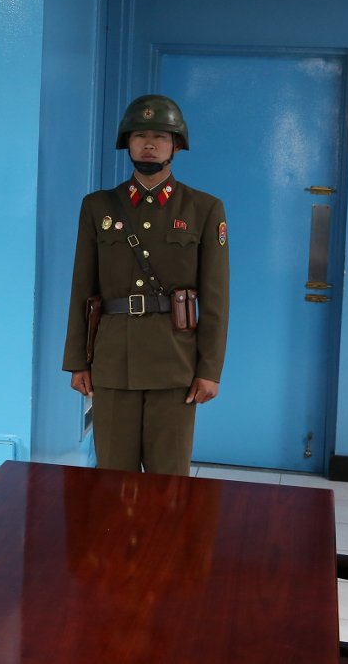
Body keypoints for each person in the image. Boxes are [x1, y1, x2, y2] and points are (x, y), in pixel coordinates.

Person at [62, 94, 229, 475]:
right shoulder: (98, 207)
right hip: (112, 362)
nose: (149, 145)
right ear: (127, 143)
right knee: (112, 479)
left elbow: (217, 298)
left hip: (175, 365)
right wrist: (77, 361)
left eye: (160, 136)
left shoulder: (203, 209)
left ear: (176, 145)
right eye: (140, 136)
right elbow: (82, 288)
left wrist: (210, 369)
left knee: (168, 483)